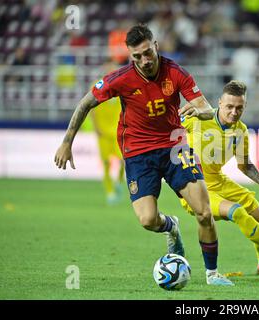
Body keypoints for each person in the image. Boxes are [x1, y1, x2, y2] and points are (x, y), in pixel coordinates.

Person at [54, 24, 233, 286]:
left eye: (147, 53)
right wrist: (66, 142)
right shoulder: (121, 78)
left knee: (204, 212)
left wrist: (200, 111)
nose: (144, 60)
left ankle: (212, 274)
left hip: (175, 146)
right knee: (148, 219)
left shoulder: (176, 72)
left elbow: (205, 107)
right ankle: (171, 226)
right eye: (136, 56)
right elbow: (86, 102)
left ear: (156, 46)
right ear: (130, 55)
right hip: (138, 153)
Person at [180, 80, 259, 276]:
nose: (234, 112)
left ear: (245, 107)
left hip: (218, 181)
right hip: (194, 186)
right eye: (229, 107)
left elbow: (245, 166)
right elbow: (166, 127)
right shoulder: (197, 119)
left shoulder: (240, 131)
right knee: (237, 212)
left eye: (239, 108)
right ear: (220, 103)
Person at [89, 59, 125, 205]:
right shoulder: (97, 86)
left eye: (113, 67)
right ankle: (109, 192)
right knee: (105, 164)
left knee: (124, 161)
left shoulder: (122, 86)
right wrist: (96, 128)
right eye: (108, 66)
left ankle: (119, 181)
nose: (111, 69)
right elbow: (91, 108)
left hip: (117, 132)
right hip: (103, 133)